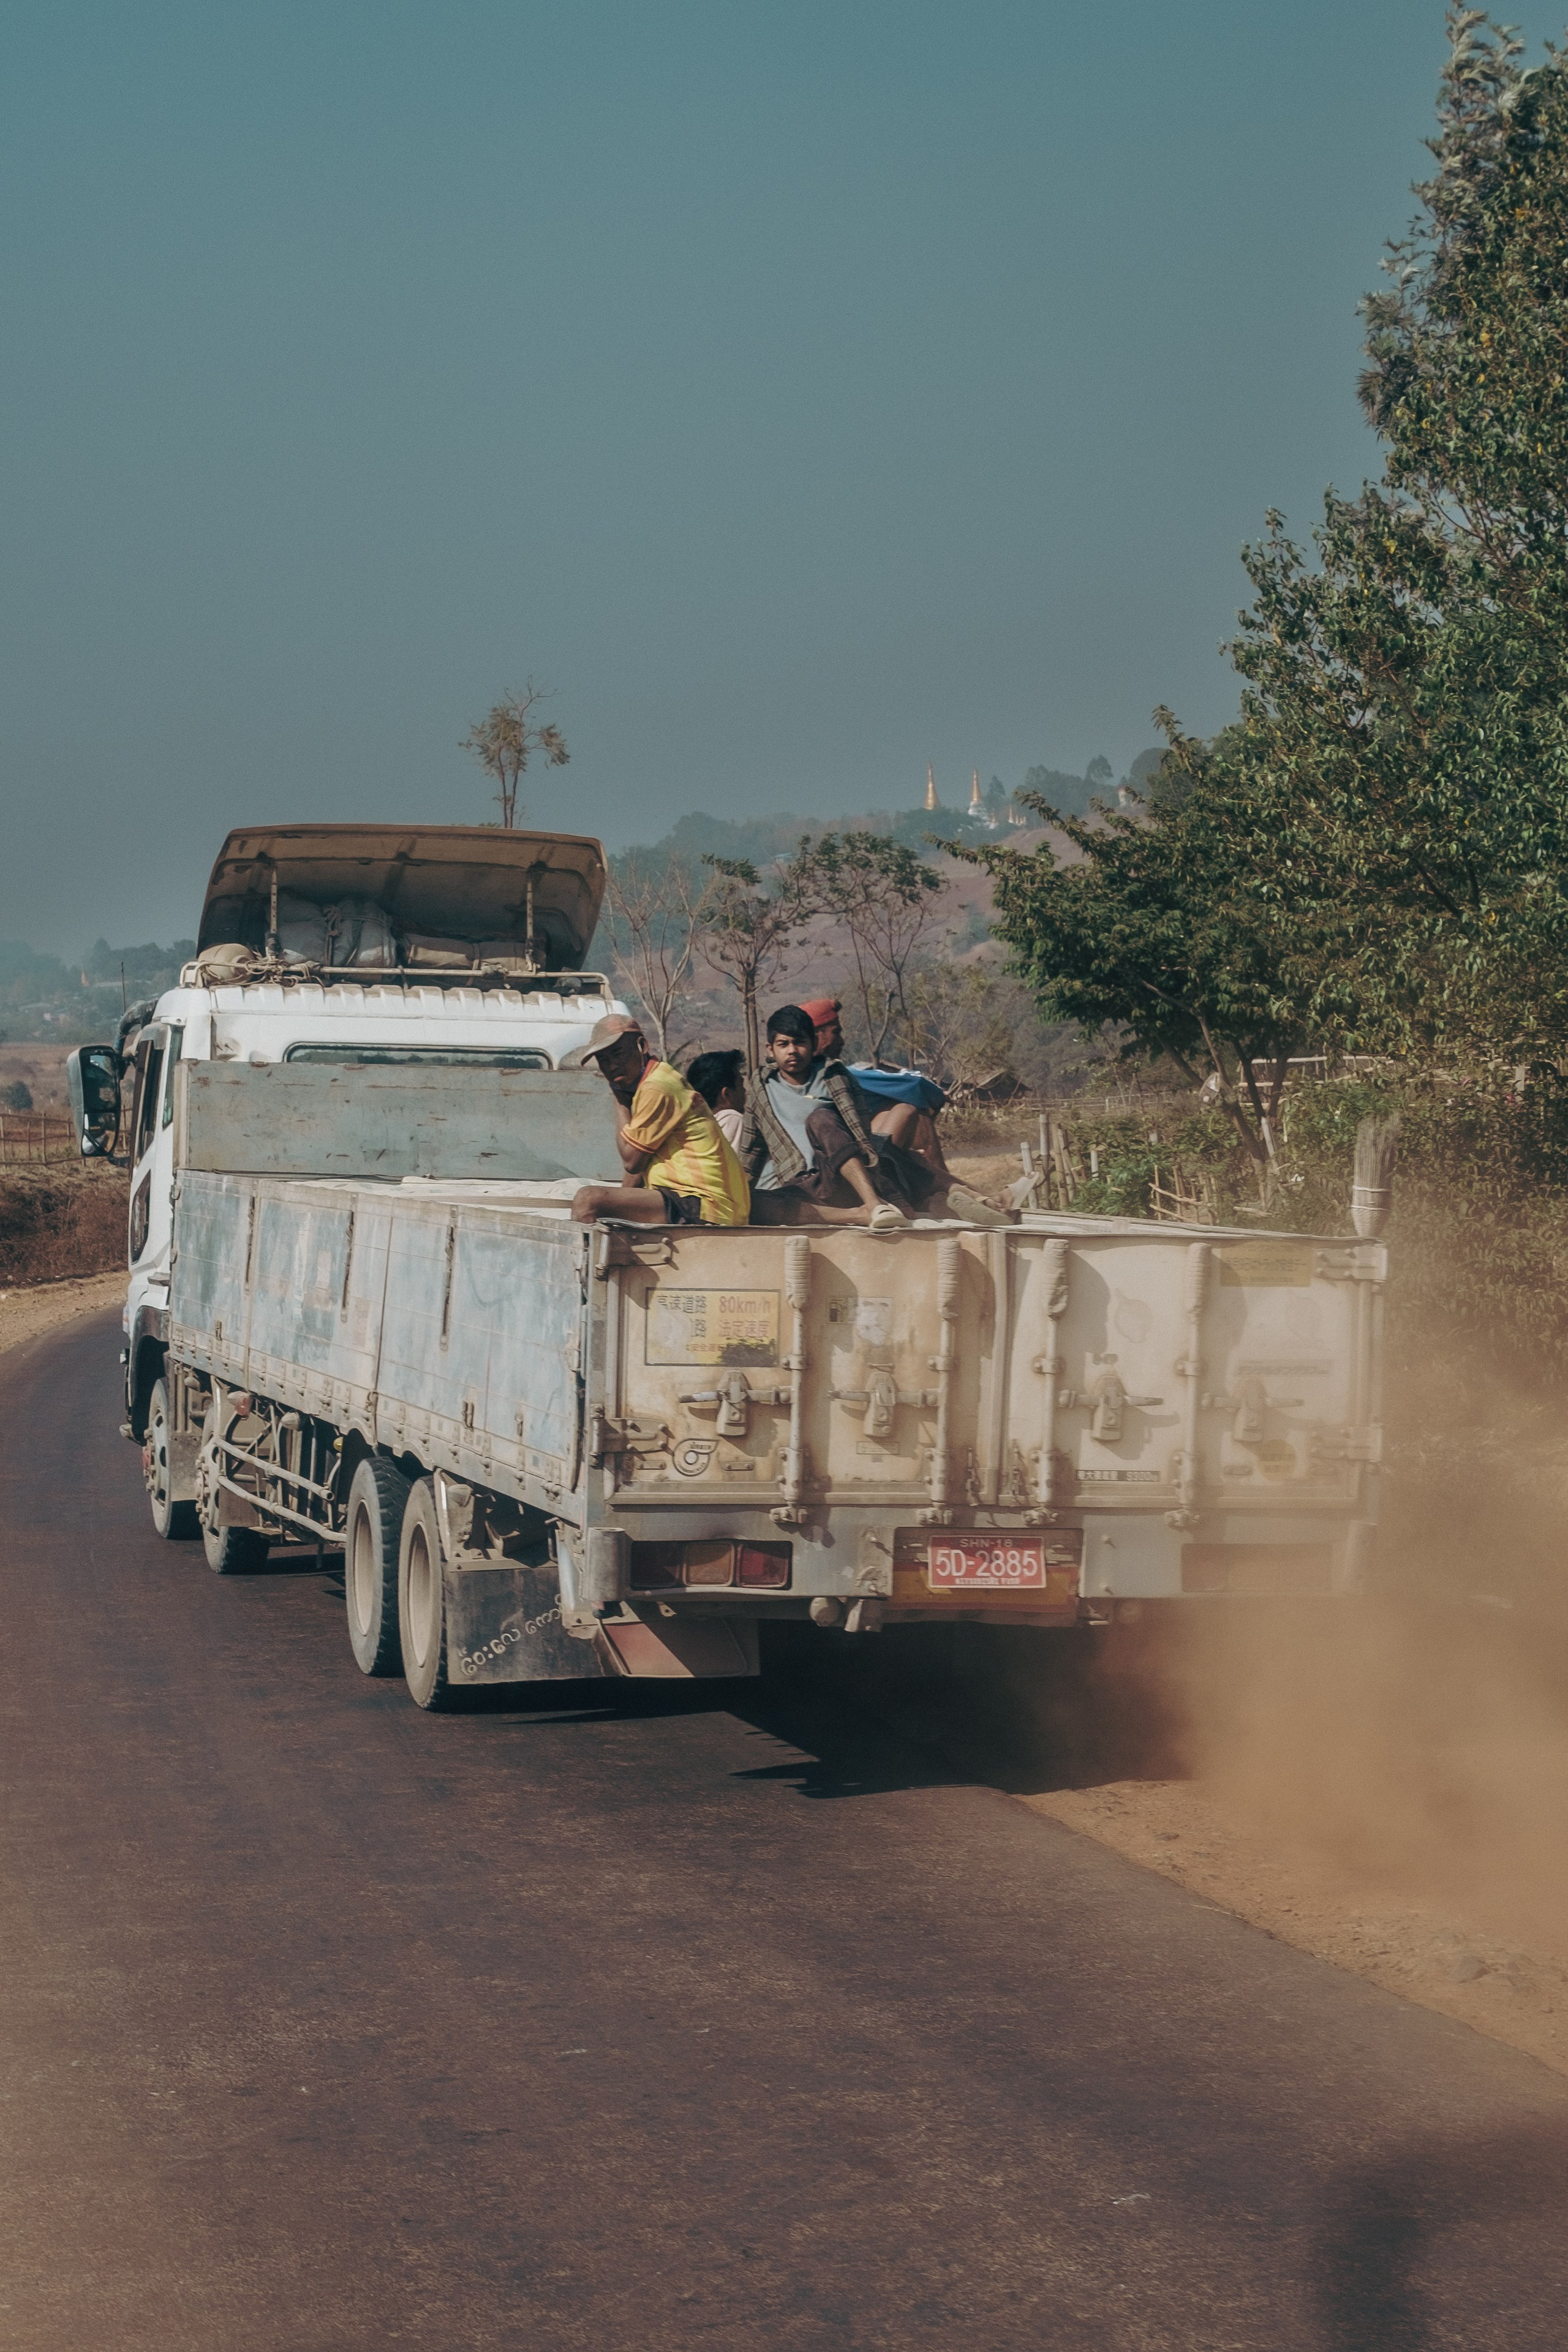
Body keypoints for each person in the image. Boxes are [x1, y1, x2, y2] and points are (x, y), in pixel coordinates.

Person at [796, 995, 1012, 1225]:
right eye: (836, 1032)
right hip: (834, 1173)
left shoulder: (784, 1081)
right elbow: (916, 1086)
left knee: (898, 1136)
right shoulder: (836, 1074)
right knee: (909, 1117)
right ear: (817, 1036)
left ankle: (965, 1196)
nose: (842, 1040)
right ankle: (970, 1194)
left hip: (837, 1162)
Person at [737, 1005, 937, 1229]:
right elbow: (750, 1155)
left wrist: (883, 1184)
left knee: (821, 1118)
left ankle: (873, 1204)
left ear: (813, 1043)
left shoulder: (835, 1076)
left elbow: (862, 1135)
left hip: (846, 1176)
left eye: (800, 1042)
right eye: (783, 1044)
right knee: (752, 1204)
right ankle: (858, 1215)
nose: (792, 1051)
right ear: (770, 1050)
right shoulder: (761, 1087)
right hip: (803, 1183)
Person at [571, 1014, 750, 1227]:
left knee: (588, 1201)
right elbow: (636, 1171)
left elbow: (632, 1162)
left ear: (642, 1046)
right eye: (603, 1060)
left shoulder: (657, 1087)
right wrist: (620, 1199)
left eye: (617, 1054)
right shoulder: (652, 1083)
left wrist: (619, 1100)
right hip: (695, 1200)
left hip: (703, 1202)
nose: (612, 1066)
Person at [685, 1049, 745, 1150]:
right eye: (741, 1084)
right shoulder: (732, 1120)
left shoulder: (692, 1127)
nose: (744, 1091)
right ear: (726, 1094)